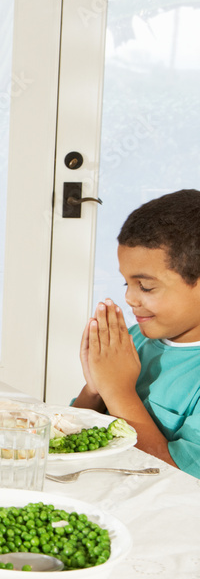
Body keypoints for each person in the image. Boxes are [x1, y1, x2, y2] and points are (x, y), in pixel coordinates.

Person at [73, 190, 200, 477]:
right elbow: (72, 431)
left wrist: (117, 391)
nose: (130, 298)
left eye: (145, 286)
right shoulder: (132, 340)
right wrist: (94, 390)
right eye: (125, 284)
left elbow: (182, 478)